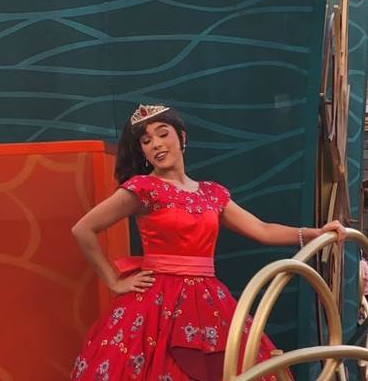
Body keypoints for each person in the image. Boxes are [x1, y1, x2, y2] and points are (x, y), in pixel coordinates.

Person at [71, 103, 346, 380]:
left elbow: (261, 229)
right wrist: (114, 280)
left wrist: (314, 233)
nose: (156, 144)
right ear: (142, 150)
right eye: (146, 140)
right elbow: (83, 229)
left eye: (163, 134)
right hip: (155, 303)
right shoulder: (143, 188)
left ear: (182, 137)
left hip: (208, 300)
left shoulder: (211, 193)